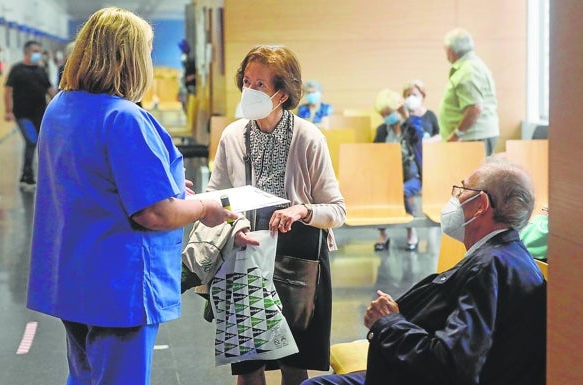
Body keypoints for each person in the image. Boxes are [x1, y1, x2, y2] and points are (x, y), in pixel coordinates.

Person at [26, 8, 237, 385]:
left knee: (86, 375)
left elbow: (90, 181)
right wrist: (205, 205)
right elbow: (154, 214)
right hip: (118, 286)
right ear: (130, 57)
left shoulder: (61, 107)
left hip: (74, 276)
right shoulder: (123, 117)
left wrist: (168, 190)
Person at [302, 157, 546, 385]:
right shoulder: (505, 254)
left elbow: (450, 365)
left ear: (481, 204)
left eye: (462, 190)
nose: (456, 198)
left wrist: (388, 322)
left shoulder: (489, 267)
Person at [207, 45, 346, 385]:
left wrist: (302, 210)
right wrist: (230, 225)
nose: (249, 91)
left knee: (294, 364)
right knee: (247, 363)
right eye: (247, 81)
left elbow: (337, 210)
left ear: (282, 94)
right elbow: (215, 198)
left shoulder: (309, 138)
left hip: (298, 262)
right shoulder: (232, 136)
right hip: (246, 254)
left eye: (260, 85)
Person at [373, 89, 423, 251]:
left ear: (397, 110)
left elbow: (418, 135)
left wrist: (407, 115)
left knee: (402, 191)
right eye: (383, 114)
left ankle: (411, 230)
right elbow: (374, 155)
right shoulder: (382, 131)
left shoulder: (410, 127)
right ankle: (383, 234)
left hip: (413, 175)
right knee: (380, 192)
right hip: (389, 176)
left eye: (388, 113)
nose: (386, 117)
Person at [4, 40, 57, 190]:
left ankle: (35, 175)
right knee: (31, 141)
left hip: (40, 113)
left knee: (41, 143)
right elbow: (8, 90)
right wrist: (8, 110)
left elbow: (50, 90)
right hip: (22, 114)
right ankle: (27, 175)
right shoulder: (17, 70)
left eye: (39, 51)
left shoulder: (40, 71)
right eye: (35, 51)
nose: (38, 54)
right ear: (26, 52)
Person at [439, 28, 499, 156]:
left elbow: (475, 108)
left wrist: (457, 134)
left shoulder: (468, 71)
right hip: (473, 137)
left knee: (473, 175)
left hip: (473, 137)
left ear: (451, 51)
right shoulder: (471, 65)